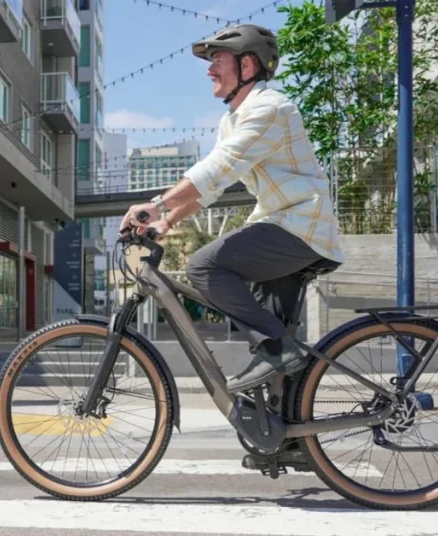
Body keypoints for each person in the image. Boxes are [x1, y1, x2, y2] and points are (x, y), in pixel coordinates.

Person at [120, 23, 346, 396]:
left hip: (298, 227)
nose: (209, 70)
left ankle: (276, 348)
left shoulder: (270, 107)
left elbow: (220, 167)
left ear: (248, 66)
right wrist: (166, 220)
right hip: (284, 227)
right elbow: (214, 186)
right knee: (272, 358)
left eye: (218, 59)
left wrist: (156, 203)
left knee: (204, 267)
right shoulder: (233, 121)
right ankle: (285, 441)